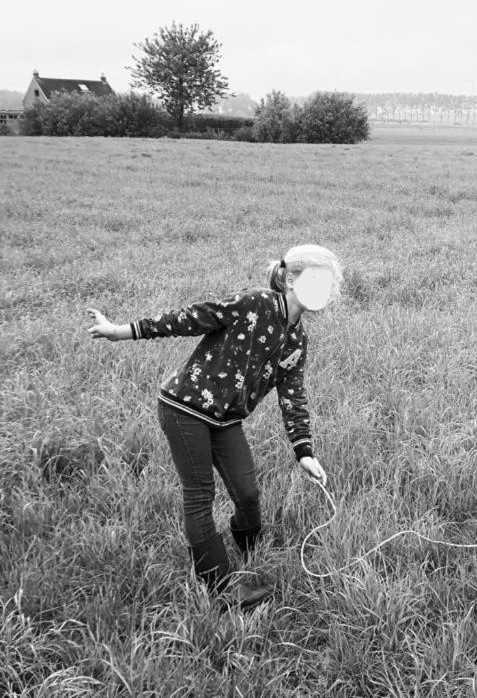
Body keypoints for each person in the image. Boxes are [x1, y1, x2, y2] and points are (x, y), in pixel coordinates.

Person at [86, 244, 340, 610]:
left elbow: (293, 395)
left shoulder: (298, 340)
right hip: (184, 408)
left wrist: (304, 451)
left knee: (248, 493)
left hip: (226, 419)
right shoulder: (255, 303)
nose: (323, 290)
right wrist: (120, 331)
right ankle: (220, 590)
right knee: (200, 497)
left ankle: (250, 550)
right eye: (316, 280)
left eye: (328, 284)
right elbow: (191, 317)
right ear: (290, 278)